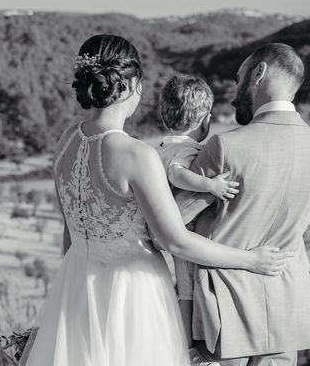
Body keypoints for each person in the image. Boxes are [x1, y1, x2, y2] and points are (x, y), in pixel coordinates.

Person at [18, 34, 290, 366]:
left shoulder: (66, 141)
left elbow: (69, 227)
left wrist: (73, 283)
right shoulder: (135, 154)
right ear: (131, 84)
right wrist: (250, 260)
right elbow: (175, 240)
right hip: (134, 292)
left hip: (76, 281)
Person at [178, 43, 310, 366]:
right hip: (286, 315)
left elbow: (172, 223)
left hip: (225, 318)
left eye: (239, 79)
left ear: (259, 73)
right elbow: (306, 222)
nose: (235, 92)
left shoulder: (225, 146)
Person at [155, 75, 240, 365]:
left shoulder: (161, 146)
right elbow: (177, 174)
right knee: (187, 289)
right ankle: (188, 347)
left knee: (184, 287)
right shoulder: (186, 151)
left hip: (165, 226)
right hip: (182, 230)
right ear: (205, 120)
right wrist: (210, 186)